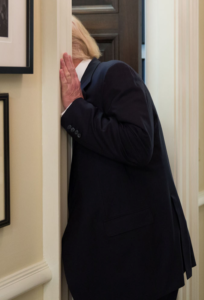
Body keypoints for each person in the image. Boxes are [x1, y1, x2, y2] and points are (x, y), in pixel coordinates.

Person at [58, 16, 195, 300]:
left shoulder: (113, 73)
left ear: (66, 49)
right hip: (110, 262)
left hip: (139, 260)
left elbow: (138, 144)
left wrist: (76, 108)